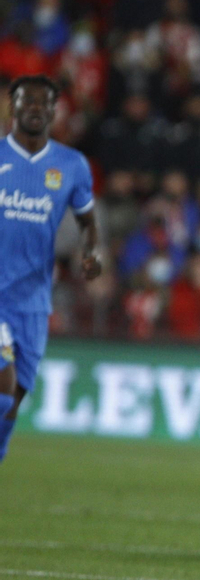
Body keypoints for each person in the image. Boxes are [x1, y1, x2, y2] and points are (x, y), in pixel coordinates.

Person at [0, 76, 102, 463]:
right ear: (13, 106)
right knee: (3, 389)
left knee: (12, 404)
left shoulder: (71, 165)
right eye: (27, 101)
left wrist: (91, 253)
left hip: (32, 303)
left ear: (54, 110)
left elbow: (87, 221)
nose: (35, 108)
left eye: (44, 103)